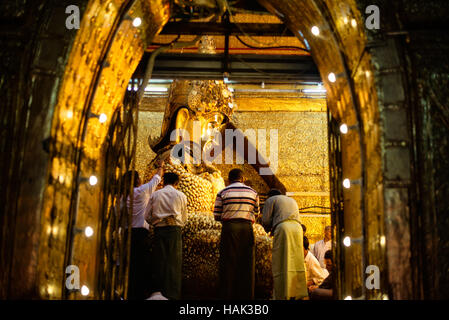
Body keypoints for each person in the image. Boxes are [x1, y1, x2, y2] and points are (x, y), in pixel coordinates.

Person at [214, 168, 259, 300]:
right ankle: (246, 297)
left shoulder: (222, 192)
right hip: (246, 228)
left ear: (228, 180)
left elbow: (217, 215)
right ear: (243, 179)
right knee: (247, 263)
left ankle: (227, 296)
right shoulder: (253, 192)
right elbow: (256, 213)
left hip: (229, 229)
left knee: (228, 262)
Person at [146, 172, 188, 300]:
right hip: (175, 230)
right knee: (174, 262)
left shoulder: (155, 195)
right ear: (176, 183)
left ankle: (158, 292)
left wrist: (156, 223)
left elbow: (147, 216)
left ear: (163, 181)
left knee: (159, 260)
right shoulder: (181, 195)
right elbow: (184, 218)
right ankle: (173, 294)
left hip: (159, 230)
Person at [124, 163, 163, 300]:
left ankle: (130, 293)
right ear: (137, 180)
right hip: (141, 234)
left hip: (127, 234)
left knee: (130, 264)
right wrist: (160, 166)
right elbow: (157, 178)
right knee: (142, 264)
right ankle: (141, 293)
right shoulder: (143, 191)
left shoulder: (123, 196)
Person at [261, 188, 308, 300]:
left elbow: (266, 220)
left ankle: (283, 294)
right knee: (296, 262)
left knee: (281, 262)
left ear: (269, 196)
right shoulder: (291, 200)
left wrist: (266, 230)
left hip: (284, 228)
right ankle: (298, 293)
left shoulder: (271, 200)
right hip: (297, 229)